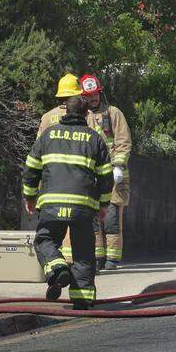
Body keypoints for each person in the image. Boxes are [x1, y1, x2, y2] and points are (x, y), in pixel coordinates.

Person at [23, 96, 114, 309]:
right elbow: (105, 176)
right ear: (86, 114)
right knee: (83, 251)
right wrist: (103, 204)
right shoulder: (95, 138)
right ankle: (82, 298)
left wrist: (29, 197)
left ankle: (57, 269)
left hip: (52, 204)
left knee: (45, 240)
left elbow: (31, 169)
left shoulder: (47, 135)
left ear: (66, 111)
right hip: (83, 206)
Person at [78, 74, 132, 270]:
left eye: (95, 95)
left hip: (113, 176)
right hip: (91, 176)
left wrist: (118, 166)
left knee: (111, 219)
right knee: (92, 218)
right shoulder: (82, 116)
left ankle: (112, 259)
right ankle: (97, 257)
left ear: (100, 93)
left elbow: (123, 142)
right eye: (88, 96)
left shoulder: (114, 113)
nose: (93, 99)